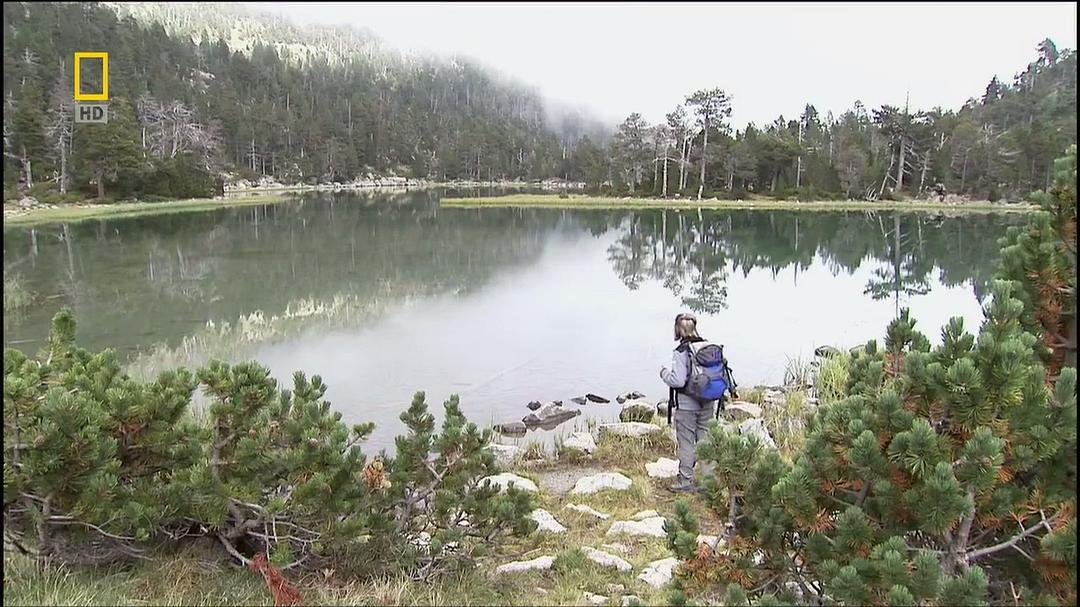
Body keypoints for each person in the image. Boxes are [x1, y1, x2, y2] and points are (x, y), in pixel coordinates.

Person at [659, 312, 715, 493]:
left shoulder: (681, 352)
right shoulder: (708, 346)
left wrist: (664, 374)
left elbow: (678, 381)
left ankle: (685, 482)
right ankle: (709, 483)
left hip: (687, 406)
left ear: (678, 329)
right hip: (708, 402)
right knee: (706, 442)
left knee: (687, 444)